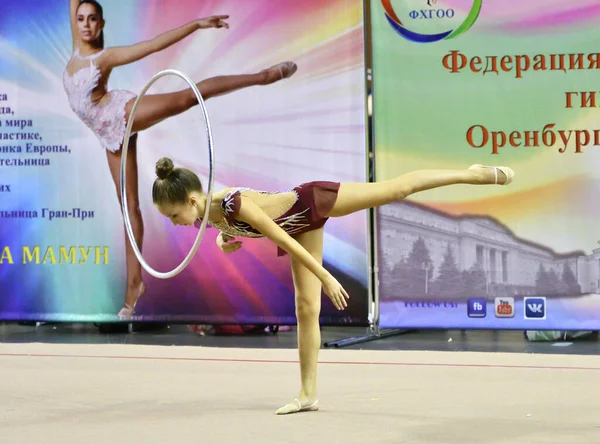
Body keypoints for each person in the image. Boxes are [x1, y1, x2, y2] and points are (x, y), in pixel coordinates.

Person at [151, 157, 515, 414]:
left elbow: (282, 237)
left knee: (396, 190)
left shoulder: (233, 203)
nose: (175, 223)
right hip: (298, 227)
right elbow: (227, 228)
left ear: (192, 200)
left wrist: (324, 274)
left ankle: (472, 175)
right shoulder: (207, 211)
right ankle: (307, 394)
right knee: (305, 309)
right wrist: (221, 240)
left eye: (173, 215)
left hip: (310, 202)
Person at [63, 0, 297, 319]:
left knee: (186, 98)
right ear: (75, 23)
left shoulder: (105, 57)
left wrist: (195, 26)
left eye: (92, 19)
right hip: (108, 136)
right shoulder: (76, 46)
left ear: (101, 24)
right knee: (128, 208)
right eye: (80, 19)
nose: (85, 24)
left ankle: (262, 76)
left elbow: (151, 45)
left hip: (121, 112)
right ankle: (134, 290)